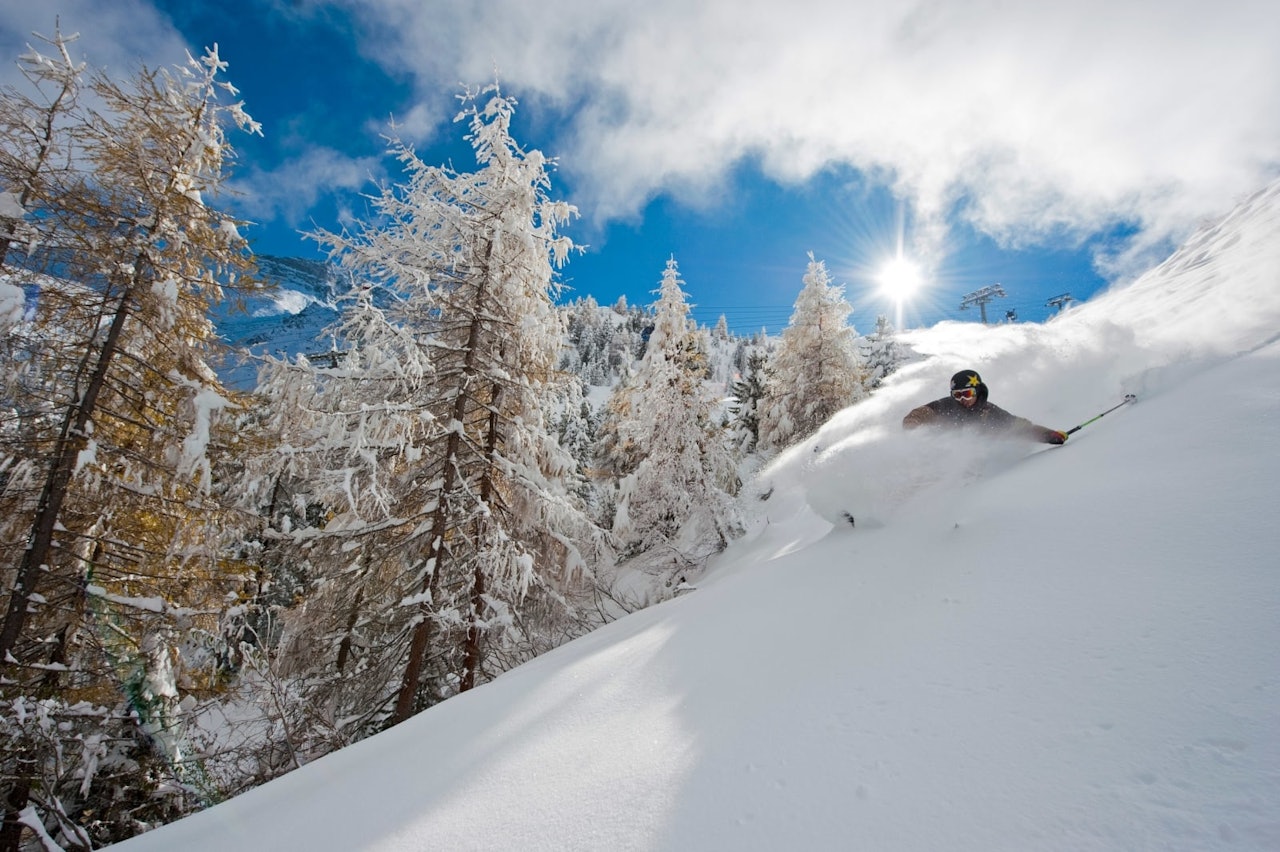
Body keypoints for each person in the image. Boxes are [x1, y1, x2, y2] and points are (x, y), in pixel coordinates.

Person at [903, 369, 1068, 444]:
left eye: (967, 393)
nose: (962, 399)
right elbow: (918, 414)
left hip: (971, 464)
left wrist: (1048, 435)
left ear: (978, 391)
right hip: (939, 453)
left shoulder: (991, 412)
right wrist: (912, 428)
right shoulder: (946, 405)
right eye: (957, 395)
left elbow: (1022, 427)